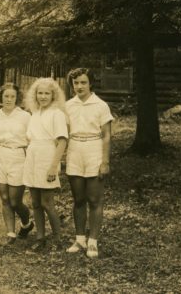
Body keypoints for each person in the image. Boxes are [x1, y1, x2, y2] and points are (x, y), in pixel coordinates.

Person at [65, 68, 114, 258]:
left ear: (90, 83)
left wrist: (105, 161)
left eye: (83, 82)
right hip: (75, 150)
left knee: (94, 199)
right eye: (76, 83)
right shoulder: (68, 105)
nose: (79, 86)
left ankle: (93, 241)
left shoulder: (101, 105)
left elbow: (107, 135)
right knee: (78, 199)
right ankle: (79, 239)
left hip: (94, 149)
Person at [22, 77, 68, 251]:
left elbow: (62, 141)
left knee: (47, 202)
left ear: (53, 95)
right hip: (33, 155)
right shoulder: (35, 114)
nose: (43, 97)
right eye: (40, 93)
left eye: (47, 93)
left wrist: (53, 167)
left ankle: (58, 239)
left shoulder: (57, 114)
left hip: (47, 157)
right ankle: (40, 238)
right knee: (35, 202)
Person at [0, 83, 34, 244]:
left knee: (15, 201)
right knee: (5, 198)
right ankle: (10, 233)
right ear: (0, 96)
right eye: (6, 96)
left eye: (12, 96)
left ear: (17, 98)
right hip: (0, 155)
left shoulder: (25, 116)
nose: (8, 99)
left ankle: (27, 223)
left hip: (18, 156)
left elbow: (32, 140)